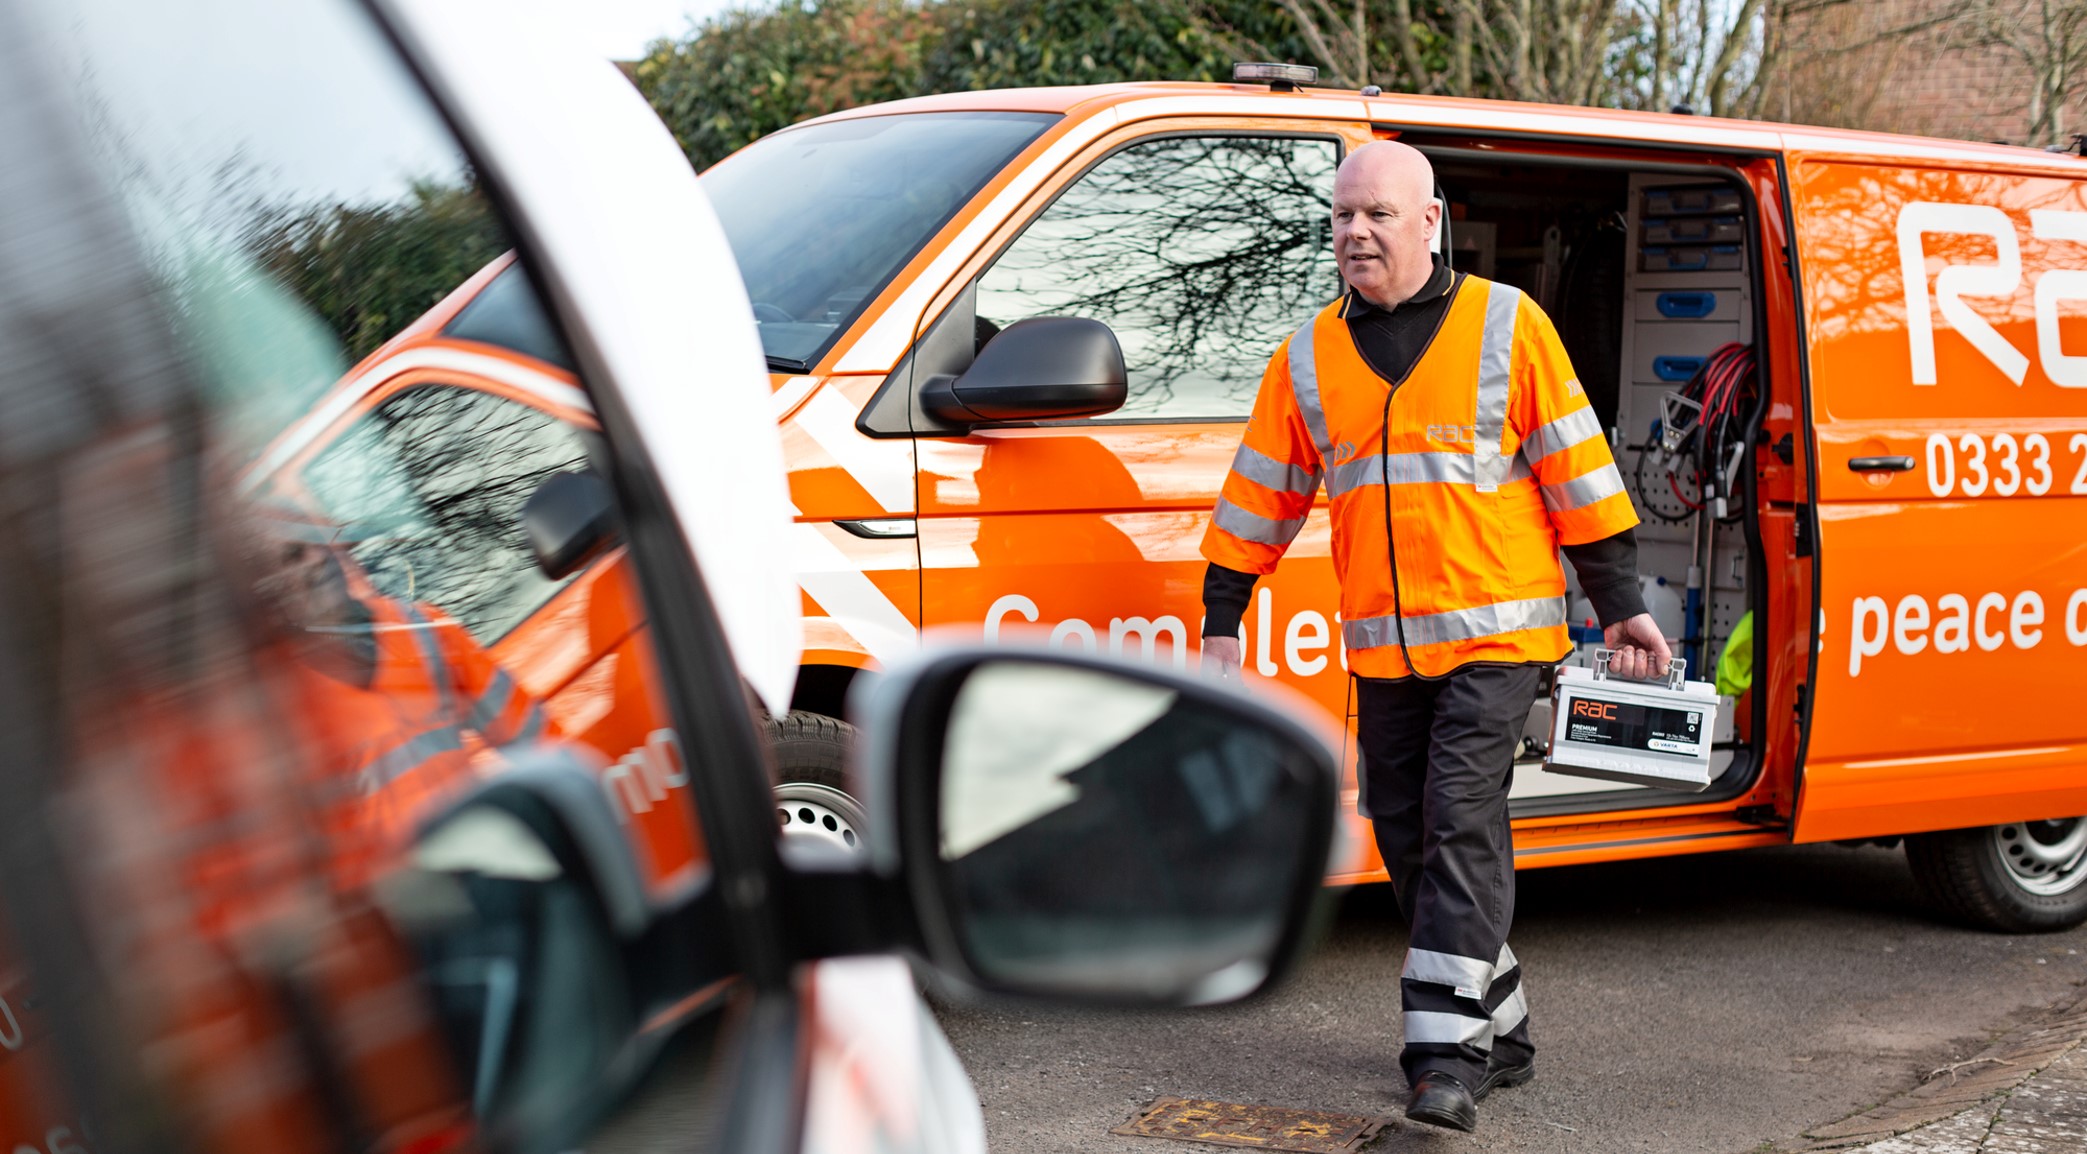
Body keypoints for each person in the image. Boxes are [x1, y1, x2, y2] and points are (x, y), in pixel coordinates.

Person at [1198, 141, 1671, 1132]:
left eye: (1376, 213)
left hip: (1499, 636)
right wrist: (1222, 615)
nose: (1355, 231)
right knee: (1408, 836)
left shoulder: (1507, 325)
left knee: (1457, 817)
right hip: (1385, 649)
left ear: (1428, 221)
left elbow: (1575, 471)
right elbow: (1259, 493)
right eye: (1341, 217)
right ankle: (1502, 1026)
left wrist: (1617, 595)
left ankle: (1441, 1053)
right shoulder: (1308, 353)